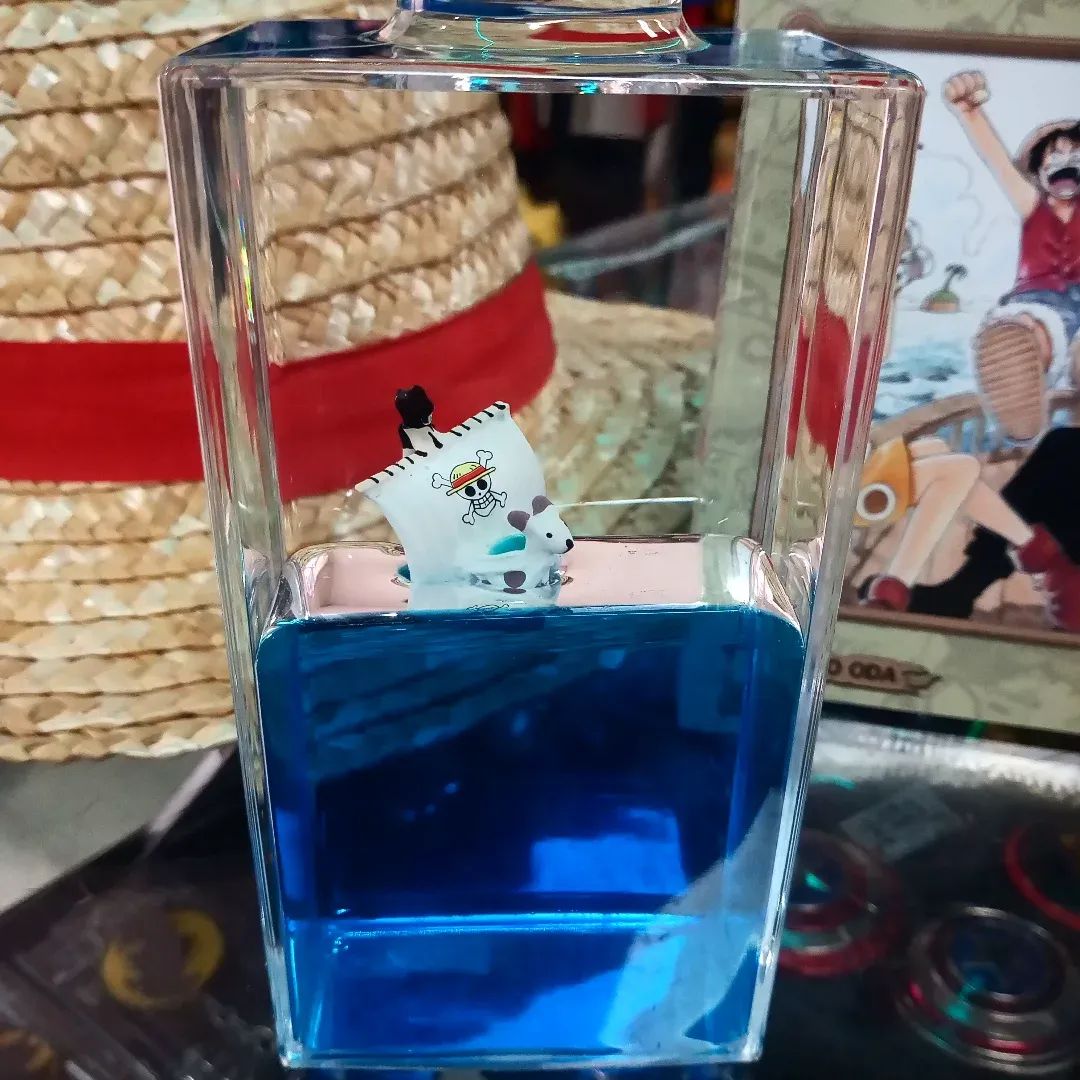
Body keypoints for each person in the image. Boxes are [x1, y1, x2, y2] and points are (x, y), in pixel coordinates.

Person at [945, 71, 1080, 443]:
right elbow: (999, 164)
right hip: (1040, 298)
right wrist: (969, 112)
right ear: (1038, 170)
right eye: (1055, 155)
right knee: (1029, 327)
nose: (1067, 161)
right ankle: (1017, 362)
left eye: (1075, 155)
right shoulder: (1033, 205)